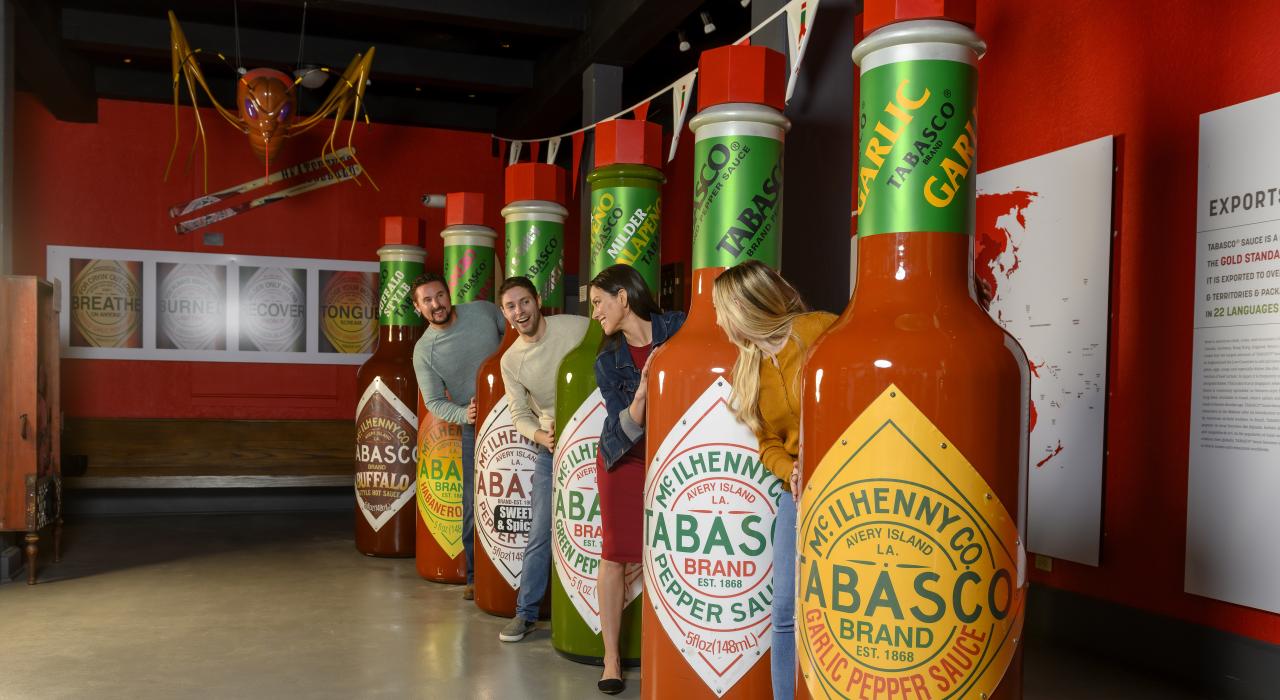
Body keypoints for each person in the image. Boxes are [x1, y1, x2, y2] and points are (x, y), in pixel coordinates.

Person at [711, 260, 836, 700]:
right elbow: (768, 444)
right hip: (795, 493)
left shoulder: (821, 330)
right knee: (783, 609)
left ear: (745, 306)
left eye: (722, 309)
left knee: (835, 607)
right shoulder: (747, 367)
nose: (719, 320)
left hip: (840, 486)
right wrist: (791, 471)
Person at [589, 264, 685, 695]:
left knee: (674, 550)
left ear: (622, 298)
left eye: (597, 303)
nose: (594, 314)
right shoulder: (607, 360)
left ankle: (669, 649)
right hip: (624, 459)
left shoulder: (679, 327)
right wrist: (644, 394)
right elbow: (621, 426)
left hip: (676, 460)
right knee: (615, 555)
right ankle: (611, 657)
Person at [496, 276, 590, 643]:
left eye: (524, 302)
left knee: (596, 530)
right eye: (510, 306)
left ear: (537, 301)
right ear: (505, 314)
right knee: (540, 531)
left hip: (594, 439)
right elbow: (519, 414)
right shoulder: (511, 360)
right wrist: (540, 435)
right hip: (550, 450)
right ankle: (526, 614)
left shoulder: (577, 327)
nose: (519, 311)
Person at [410, 272, 506, 600]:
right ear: (417, 307)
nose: (436, 304)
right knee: (473, 503)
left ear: (449, 294)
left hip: (521, 414)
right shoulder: (424, 352)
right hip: (475, 428)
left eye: (439, 295)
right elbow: (435, 401)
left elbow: (517, 340)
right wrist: (464, 414)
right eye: (427, 300)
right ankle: (476, 577)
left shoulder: (483, 311)